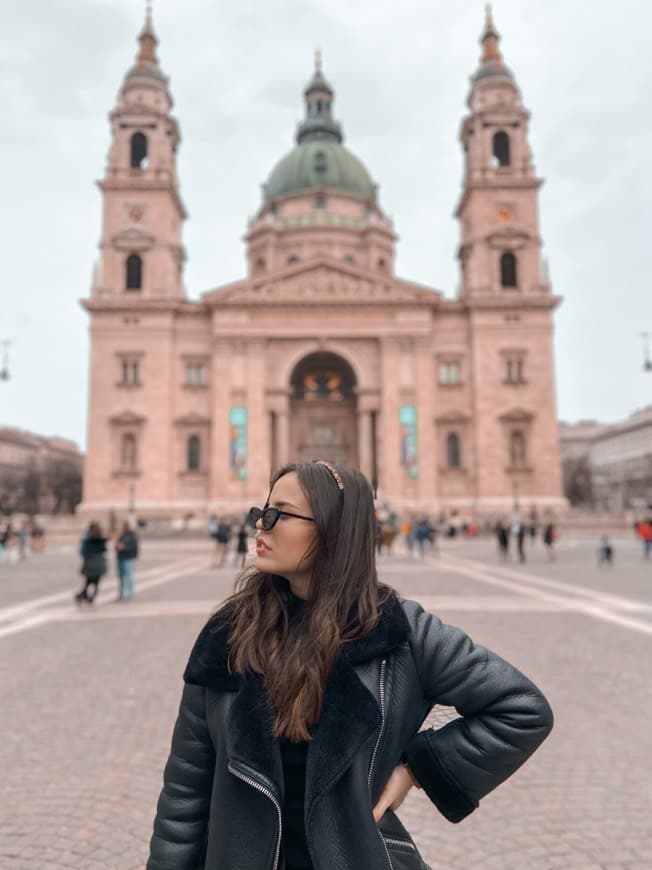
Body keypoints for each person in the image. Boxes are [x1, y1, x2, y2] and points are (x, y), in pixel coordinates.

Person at [147, 461, 553, 870]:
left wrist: (418, 768)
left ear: (333, 527)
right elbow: (185, 793)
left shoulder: (400, 631)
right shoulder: (228, 635)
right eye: (261, 512)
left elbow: (521, 708)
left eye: (278, 514)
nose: (260, 525)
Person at [74, 522, 107, 604]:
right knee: (96, 583)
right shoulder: (101, 539)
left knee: (88, 582)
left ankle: (83, 596)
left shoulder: (87, 539)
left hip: (89, 564)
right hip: (99, 564)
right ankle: (90, 598)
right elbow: (104, 550)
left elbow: (83, 551)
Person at [115, 521, 139, 601]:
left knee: (129, 576)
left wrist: (124, 547)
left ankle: (131, 592)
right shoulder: (122, 535)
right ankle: (121, 593)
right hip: (120, 557)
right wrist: (117, 547)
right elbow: (117, 545)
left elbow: (134, 546)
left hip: (127, 557)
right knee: (121, 577)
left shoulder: (131, 535)